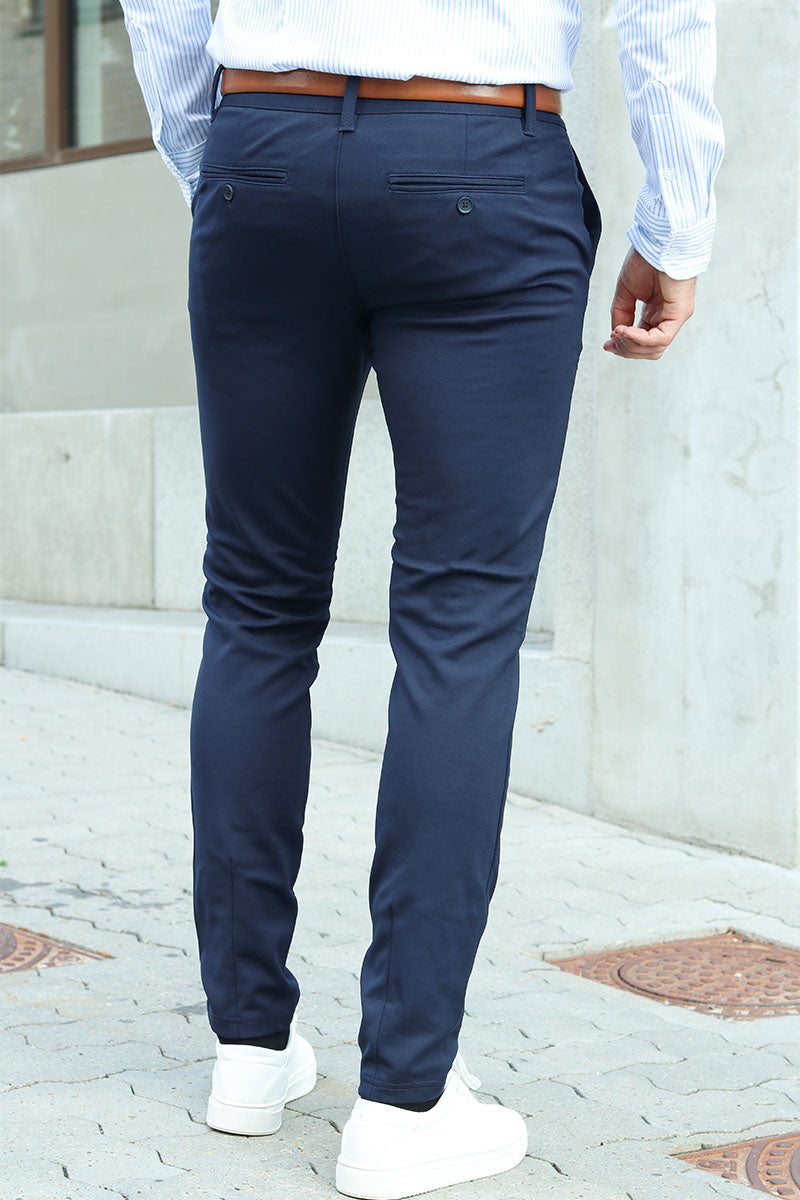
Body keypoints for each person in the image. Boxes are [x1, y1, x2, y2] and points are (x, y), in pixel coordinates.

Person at [120, 3, 724, 1197]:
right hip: (481, 161)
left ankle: (247, 1051)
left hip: (265, 146)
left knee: (253, 610)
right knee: (458, 632)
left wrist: (226, 153)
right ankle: (402, 1100)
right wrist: (675, 222)